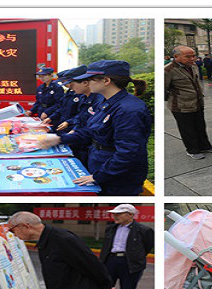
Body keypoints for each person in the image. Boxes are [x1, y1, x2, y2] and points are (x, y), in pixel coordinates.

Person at [38, 60, 152, 196]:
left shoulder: (129, 109)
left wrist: (98, 176)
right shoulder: (105, 102)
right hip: (100, 164)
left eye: (90, 79)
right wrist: (59, 139)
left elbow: (128, 152)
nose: (87, 83)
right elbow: (91, 130)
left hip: (118, 178)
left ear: (106, 81)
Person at [98, 204, 154, 289]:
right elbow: (106, 246)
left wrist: (136, 257)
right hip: (111, 260)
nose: (115, 216)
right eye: (114, 214)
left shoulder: (143, 230)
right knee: (105, 285)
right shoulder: (111, 228)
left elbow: (147, 246)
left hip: (130, 262)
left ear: (130, 215)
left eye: (119, 214)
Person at [165, 46, 212, 160]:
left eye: (193, 56)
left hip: (197, 103)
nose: (192, 59)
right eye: (188, 56)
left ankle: (205, 146)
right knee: (188, 129)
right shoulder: (168, 70)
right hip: (181, 106)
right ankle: (192, 150)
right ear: (176, 56)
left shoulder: (193, 65)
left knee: (200, 126)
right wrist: (176, 97)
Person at [54, 65, 105, 167]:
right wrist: (74, 129)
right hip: (81, 139)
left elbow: (91, 128)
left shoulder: (100, 100)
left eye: (72, 84)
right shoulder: (84, 97)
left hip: (90, 144)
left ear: (85, 83)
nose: (71, 88)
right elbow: (81, 117)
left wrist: (63, 138)